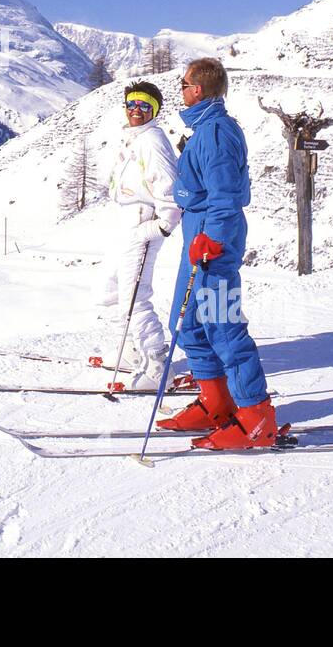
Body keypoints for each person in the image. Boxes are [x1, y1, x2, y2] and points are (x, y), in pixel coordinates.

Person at [157, 57, 277, 448]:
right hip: (198, 236)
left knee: (221, 323)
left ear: (199, 88)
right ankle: (216, 402)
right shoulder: (204, 129)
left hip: (213, 242)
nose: (181, 88)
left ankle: (256, 417)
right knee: (187, 320)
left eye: (184, 83)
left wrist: (213, 237)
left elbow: (225, 196)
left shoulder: (216, 133)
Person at [94, 80, 183, 390]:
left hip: (145, 221)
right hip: (127, 221)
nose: (136, 110)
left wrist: (162, 224)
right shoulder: (133, 137)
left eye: (145, 106)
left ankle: (157, 364)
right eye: (132, 104)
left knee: (134, 295)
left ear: (154, 111)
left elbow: (168, 185)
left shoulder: (152, 140)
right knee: (113, 287)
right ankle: (130, 349)